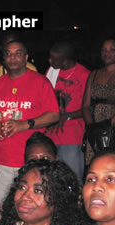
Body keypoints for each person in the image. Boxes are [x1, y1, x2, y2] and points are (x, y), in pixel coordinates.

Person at [0, 39, 59, 225]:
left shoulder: (40, 82)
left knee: (31, 207)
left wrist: (25, 124)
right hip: (2, 158)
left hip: (31, 159)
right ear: (4, 59)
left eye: (18, 53)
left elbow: (54, 114)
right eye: (8, 53)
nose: (13, 57)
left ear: (26, 57)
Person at [83, 39, 115, 162]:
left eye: (112, 49)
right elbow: (85, 105)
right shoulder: (93, 74)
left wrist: (106, 127)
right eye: (104, 50)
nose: (107, 53)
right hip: (95, 125)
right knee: (96, 163)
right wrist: (92, 127)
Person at [45, 41, 89, 181]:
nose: (49, 60)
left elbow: (89, 108)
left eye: (53, 58)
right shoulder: (51, 71)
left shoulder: (84, 75)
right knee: (51, 179)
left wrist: (68, 116)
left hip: (71, 137)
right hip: (50, 136)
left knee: (72, 179)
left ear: (64, 61)